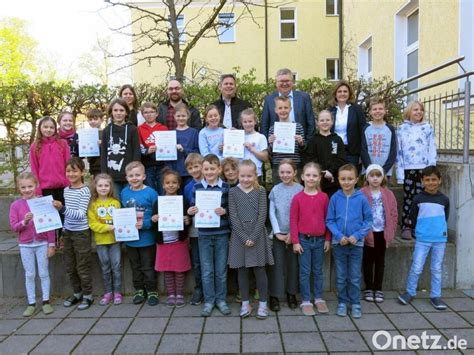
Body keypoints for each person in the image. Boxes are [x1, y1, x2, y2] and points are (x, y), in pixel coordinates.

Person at [398, 166, 449, 310]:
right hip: (422, 239)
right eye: (427, 180)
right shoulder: (418, 199)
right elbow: (412, 218)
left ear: (440, 180)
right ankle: (410, 292)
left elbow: (446, 217)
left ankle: (435, 296)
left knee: (436, 268)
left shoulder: (444, 199)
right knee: (417, 266)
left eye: (434, 179)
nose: (431, 182)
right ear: (422, 181)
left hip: (440, 239)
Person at [228, 160, 274, 319]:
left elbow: (263, 215)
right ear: (237, 175)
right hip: (239, 236)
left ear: (255, 175)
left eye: (249, 176)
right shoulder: (233, 192)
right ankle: (245, 303)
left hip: (257, 234)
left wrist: (253, 236)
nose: (246, 179)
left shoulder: (261, 191)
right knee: (242, 270)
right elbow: (233, 216)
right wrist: (243, 236)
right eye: (243, 176)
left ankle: (262, 304)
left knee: (260, 270)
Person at [326, 164, 372, 319]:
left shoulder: (361, 199)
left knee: (354, 276)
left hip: (356, 244)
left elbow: (368, 221)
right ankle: (342, 302)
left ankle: (355, 303)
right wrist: (339, 236)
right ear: (338, 180)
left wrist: (357, 236)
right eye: (343, 179)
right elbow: (330, 220)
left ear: (356, 179)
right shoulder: (335, 198)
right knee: (340, 275)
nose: (346, 182)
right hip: (339, 244)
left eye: (350, 179)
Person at [187, 154, 231, 317]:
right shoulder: (197, 187)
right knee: (207, 271)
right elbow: (193, 207)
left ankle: (221, 300)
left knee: (220, 270)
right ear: (202, 170)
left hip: (221, 234)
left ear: (219, 169)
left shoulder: (226, 187)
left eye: (213, 168)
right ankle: (209, 301)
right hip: (203, 234)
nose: (209, 171)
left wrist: (224, 211)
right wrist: (191, 211)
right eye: (206, 169)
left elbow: (230, 210)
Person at [9, 173, 55, 317]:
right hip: (25, 246)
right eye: (23, 187)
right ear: (19, 188)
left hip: (42, 243)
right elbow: (14, 227)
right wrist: (24, 222)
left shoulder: (43, 202)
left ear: (36, 185)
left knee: (43, 273)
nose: (27, 189)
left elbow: (50, 225)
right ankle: (31, 303)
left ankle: (46, 301)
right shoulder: (16, 205)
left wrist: (51, 244)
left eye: (30, 186)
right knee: (30, 274)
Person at [290, 162, 331, 316]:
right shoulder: (298, 198)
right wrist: (295, 241)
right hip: (304, 240)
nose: (311, 178)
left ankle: (319, 298)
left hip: (320, 240)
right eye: (308, 175)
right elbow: (293, 221)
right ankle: (306, 300)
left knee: (318, 271)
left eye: (314, 175)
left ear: (319, 178)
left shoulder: (324, 197)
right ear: (302, 177)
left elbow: (328, 219)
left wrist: (327, 238)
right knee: (305, 271)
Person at [53, 158, 93, 310]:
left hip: (81, 233)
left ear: (82, 172)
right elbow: (67, 216)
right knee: (70, 266)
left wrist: (61, 208)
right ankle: (77, 293)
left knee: (83, 265)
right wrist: (63, 231)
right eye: (68, 171)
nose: (71, 174)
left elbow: (80, 214)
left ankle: (88, 295)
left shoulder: (85, 190)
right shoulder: (66, 190)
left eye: (75, 170)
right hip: (68, 232)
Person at [396, 100, 437, 240]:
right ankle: (407, 226)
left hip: (423, 169)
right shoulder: (401, 129)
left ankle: (419, 226)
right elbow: (399, 152)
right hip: (408, 169)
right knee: (409, 198)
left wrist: (431, 168)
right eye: (415, 109)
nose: (418, 112)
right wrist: (400, 173)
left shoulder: (428, 128)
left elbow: (432, 148)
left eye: (420, 110)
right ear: (409, 112)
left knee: (423, 198)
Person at [120, 161, 159, 306]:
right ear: (126, 177)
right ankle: (139, 290)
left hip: (147, 238)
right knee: (135, 266)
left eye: (137, 175)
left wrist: (146, 224)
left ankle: (152, 290)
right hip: (130, 239)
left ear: (144, 176)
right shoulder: (124, 192)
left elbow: (157, 216)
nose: (134, 178)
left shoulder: (151, 193)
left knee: (148, 266)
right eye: (131, 176)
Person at [153, 169, 191, 308]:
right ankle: (170, 294)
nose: (171, 185)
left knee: (180, 269)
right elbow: (153, 218)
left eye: (174, 182)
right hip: (164, 241)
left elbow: (188, 219)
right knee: (167, 269)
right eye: (167, 183)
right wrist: (154, 218)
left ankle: (179, 293)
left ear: (179, 185)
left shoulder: (183, 201)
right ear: (163, 185)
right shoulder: (158, 202)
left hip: (178, 240)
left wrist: (187, 220)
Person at [268, 159, 303, 312]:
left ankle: (291, 293)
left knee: (293, 265)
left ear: (295, 173)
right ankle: (274, 295)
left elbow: (302, 214)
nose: (285, 175)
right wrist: (277, 232)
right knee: (276, 265)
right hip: (278, 234)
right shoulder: (275, 189)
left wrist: (292, 233)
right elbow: (272, 212)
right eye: (282, 172)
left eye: (288, 172)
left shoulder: (300, 189)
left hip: (294, 234)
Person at [360, 164, 398, 303]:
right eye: (372, 175)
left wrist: (391, 232)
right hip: (367, 232)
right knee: (368, 260)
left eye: (378, 175)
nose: (375, 179)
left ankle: (378, 288)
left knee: (380, 261)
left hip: (382, 232)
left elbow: (394, 214)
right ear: (367, 177)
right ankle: (369, 287)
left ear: (383, 178)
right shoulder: (362, 193)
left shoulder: (388, 194)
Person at [88, 173, 123, 306]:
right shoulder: (93, 204)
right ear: (95, 187)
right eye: (100, 185)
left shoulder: (115, 203)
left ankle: (117, 292)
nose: (103, 188)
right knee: (105, 267)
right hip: (101, 241)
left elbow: (121, 221)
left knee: (117, 267)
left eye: (106, 185)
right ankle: (108, 292)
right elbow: (92, 224)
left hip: (115, 241)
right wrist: (106, 227)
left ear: (111, 187)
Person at [101, 98, 141, 197]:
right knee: (116, 202)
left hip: (129, 176)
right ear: (111, 112)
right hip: (112, 177)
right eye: (115, 110)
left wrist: (134, 172)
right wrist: (105, 175)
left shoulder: (132, 129)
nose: (118, 113)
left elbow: (136, 151)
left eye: (121, 110)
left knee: (129, 202)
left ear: (127, 112)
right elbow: (103, 154)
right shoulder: (106, 131)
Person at [261, 68, 315, 140]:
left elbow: (311, 123)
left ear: (292, 82)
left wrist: (307, 143)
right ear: (276, 83)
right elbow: (264, 125)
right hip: (276, 145)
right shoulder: (269, 100)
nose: (285, 83)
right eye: (281, 81)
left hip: (300, 146)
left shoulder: (304, 98)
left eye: (287, 81)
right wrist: (267, 144)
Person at [302, 110, 345, 197]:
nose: (325, 122)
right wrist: (323, 172)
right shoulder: (313, 140)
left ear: (332, 121)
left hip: (334, 182)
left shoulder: (337, 139)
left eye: (327, 120)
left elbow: (341, 159)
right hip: (317, 182)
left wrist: (330, 171)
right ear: (317, 123)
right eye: (322, 120)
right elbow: (310, 159)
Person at [29, 116, 70, 202]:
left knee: (63, 213)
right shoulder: (35, 146)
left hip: (63, 186)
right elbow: (34, 169)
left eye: (51, 127)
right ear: (40, 128)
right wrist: (37, 188)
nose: (48, 130)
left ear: (55, 129)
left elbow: (68, 164)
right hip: (45, 188)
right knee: (50, 215)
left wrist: (68, 183)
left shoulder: (62, 143)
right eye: (45, 127)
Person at [329, 80, 366, 171]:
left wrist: (362, 154)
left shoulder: (356, 109)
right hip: (334, 151)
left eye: (345, 91)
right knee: (335, 179)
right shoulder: (330, 110)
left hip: (352, 152)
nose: (342, 94)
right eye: (339, 91)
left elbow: (363, 131)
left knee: (351, 179)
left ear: (349, 94)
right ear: (335, 94)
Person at [268, 96, 305, 184]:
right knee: (278, 192)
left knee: (296, 192)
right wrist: (270, 143)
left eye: (286, 107)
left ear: (290, 109)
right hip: (278, 164)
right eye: (280, 108)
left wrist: (301, 142)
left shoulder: (298, 127)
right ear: (275, 110)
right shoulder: (273, 129)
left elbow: (303, 149)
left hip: (295, 164)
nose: (283, 110)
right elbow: (270, 152)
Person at [183, 153, 204, 305]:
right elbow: (186, 208)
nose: (194, 170)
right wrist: (187, 215)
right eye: (190, 168)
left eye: (197, 166)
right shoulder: (187, 187)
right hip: (195, 230)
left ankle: (211, 289)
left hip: (211, 228)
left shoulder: (211, 182)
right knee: (197, 261)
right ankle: (199, 289)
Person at [361, 98, 397, 177]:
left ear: (385, 111)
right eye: (374, 109)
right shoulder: (366, 128)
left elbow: (393, 151)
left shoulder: (390, 129)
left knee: (384, 190)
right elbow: (363, 150)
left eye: (380, 109)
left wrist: (384, 170)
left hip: (385, 172)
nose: (378, 111)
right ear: (370, 112)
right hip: (369, 171)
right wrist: (369, 168)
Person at [137, 102, 168, 194]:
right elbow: (139, 146)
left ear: (157, 113)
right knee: (150, 190)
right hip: (147, 165)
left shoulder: (163, 128)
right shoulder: (139, 129)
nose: (149, 114)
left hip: (161, 165)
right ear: (142, 115)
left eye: (152, 112)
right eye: (146, 112)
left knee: (163, 189)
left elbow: (167, 145)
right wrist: (147, 151)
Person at [169, 103, 199, 187]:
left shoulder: (194, 132)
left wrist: (184, 150)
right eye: (178, 116)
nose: (181, 118)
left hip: (190, 171)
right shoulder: (170, 134)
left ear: (188, 116)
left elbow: (197, 152)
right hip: (174, 171)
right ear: (174, 116)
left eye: (183, 116)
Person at [241, 109, 269, 183]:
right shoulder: (238, 136)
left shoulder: (261, 137)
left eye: (250, 121)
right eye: (245, 122)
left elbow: (265, 158)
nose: (248, 124)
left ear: (255, 122)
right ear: (242, 123)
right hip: (241, 174)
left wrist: (252, 149)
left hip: (256, 174)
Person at [86, 108, 104, 178]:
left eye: (95, 119)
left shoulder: (105, 132)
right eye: (90, 120)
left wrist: (102, 144)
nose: (93, 121)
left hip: (104, 165)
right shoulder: (86, 134)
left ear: (102, 120)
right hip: (93, 165)